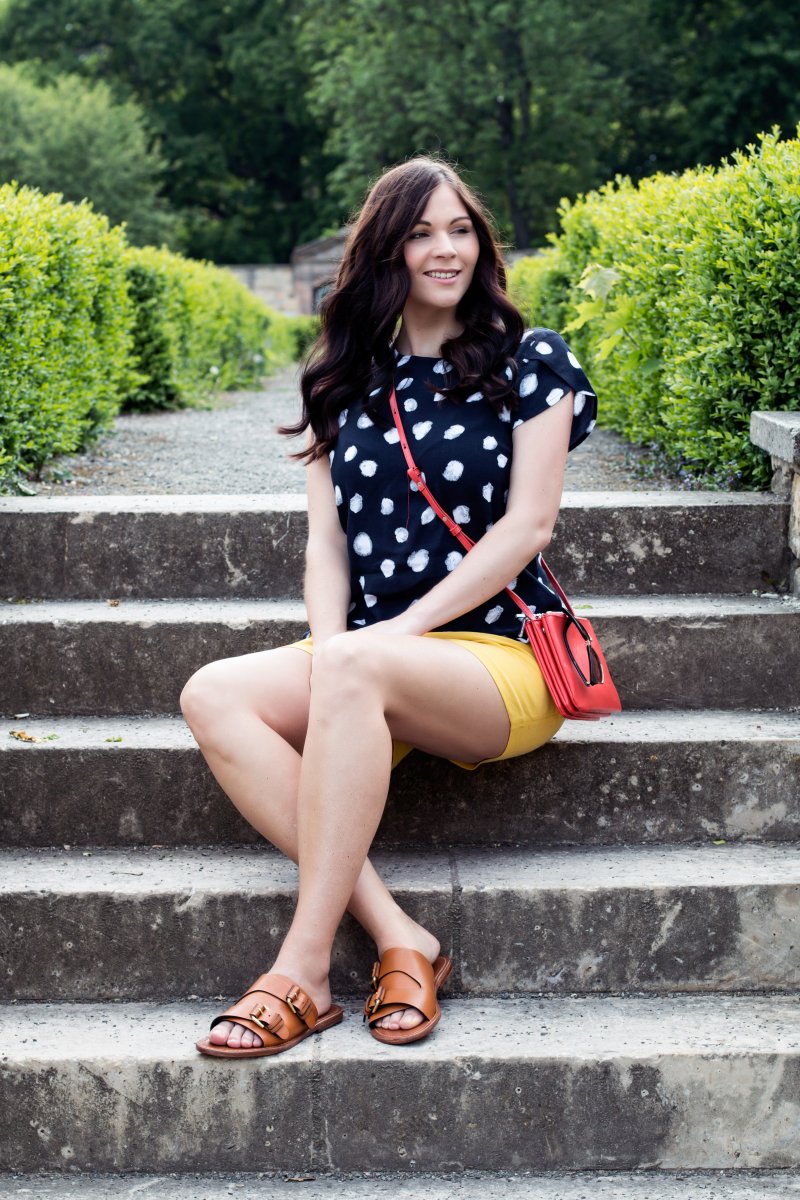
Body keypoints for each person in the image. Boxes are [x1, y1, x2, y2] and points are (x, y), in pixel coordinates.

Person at [182, 155, 597, 1058]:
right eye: (420, 233)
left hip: (499, 657)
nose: (445, 249)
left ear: (481, 244)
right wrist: (334, 647)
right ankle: (401, 935)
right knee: (212, 693)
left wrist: (384, 640)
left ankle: (302, 968)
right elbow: (327, 546)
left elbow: (527, 527)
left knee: (358, 663)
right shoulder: (342, 377)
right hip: (371, 659)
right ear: (385, 251)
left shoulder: (532, 360)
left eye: (460, 229)